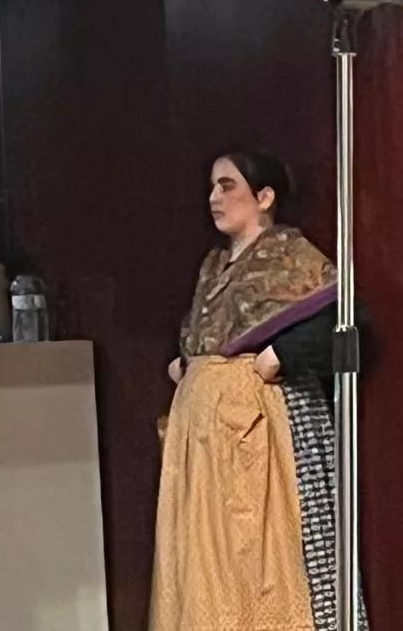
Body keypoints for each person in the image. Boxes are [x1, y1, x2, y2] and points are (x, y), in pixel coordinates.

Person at [150, 150, 367, 630]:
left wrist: (281, 355)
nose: (214, 197)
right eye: (212, 186)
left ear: (264, 197)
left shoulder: (288, 256)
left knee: (261, 554)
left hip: (261, 433)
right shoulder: (215, 265)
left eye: (227, 186)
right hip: (206, 443)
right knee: (208, 559)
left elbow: (348, 321)